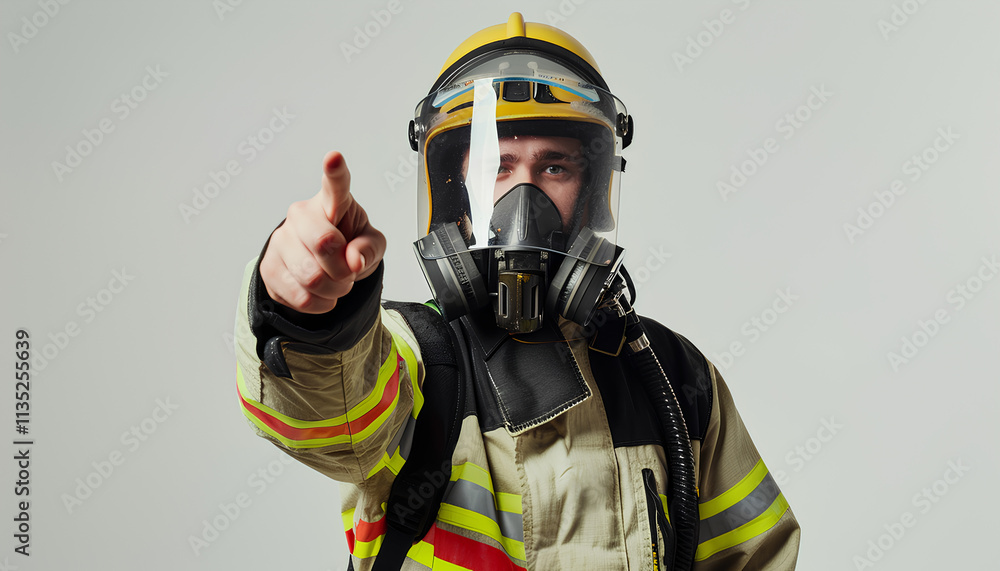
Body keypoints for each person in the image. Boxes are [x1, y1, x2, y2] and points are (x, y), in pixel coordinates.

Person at [234, 13, 800, 570]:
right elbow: (331, 418)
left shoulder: (673, 376)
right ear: (453, 190)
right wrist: (306, 316)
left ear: (594, 189)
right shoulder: (412, 358)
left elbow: (755, 558)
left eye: (554, 167)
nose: (523, 198)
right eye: (496, 168)